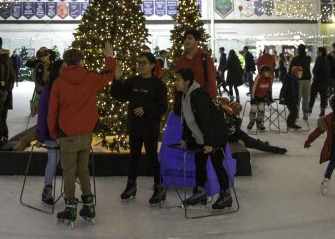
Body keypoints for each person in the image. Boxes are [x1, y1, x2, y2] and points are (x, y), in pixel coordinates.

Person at [49, 42, 118, 226]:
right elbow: (109, 74)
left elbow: (53, 111)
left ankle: (70, 208)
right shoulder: (90, 78)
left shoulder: (59, 83)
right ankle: (89, 205)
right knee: (83, 169)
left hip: (67, 133)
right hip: (86, 132)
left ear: (65, 62)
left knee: (69, 171)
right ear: (80, 61)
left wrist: (53, 132)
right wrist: (109, 57)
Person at [110, 51, 168, 204]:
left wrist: (146, 109)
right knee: (133, 157)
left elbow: (162, 106)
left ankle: (159, 186)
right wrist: (117, 79)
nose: (141, 65)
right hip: (135, 127)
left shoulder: (158, 84)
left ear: (152, 65)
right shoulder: (133, 81)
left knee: (152, 157)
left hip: (150, 128)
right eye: (139, 62)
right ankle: (131, 185)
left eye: (144, 63)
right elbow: (119, 95)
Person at [174, 68, 233, 210]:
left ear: (187, 82)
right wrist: (185, 138)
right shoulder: (184, 96)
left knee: (217, 163)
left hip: (215, 135)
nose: (175, 83)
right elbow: (188, 120)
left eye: (178, 80)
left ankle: (226, 195)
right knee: (199, 163)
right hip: (200, 137)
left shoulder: (199, 95)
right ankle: (200, 192)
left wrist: (209, 143)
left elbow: (206, 120)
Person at [36, 59, 65, 205]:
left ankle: (68, 190)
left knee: (66, 162)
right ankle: (47, 188)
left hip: (67, 132)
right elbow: (43, 112)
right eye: (63, 68)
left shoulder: (69, 85)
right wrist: (41, 135)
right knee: (53, 161)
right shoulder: (50, 88)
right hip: (51, 132)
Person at [219, 97, 286, 154]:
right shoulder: (223, 118)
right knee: (253, 143)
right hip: (231, 139)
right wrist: (237, 140)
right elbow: (226, 134)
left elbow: (236, 131)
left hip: (237, 136)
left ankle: (268, 147)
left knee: (254, 142)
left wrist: (240, 137)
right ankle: (267, 146)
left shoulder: (234, 119)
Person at [173, 29, 217, 108]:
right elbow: (177, 82)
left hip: (201, 102)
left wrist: (211, 101)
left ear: (197, 41)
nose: (186, 41)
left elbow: (211, 82)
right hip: (184, 102)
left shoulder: (205, 59)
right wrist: (176, 100)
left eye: (189, 38)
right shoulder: (180, 61)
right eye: (185, 39)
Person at [289, 44, 312, 119]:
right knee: (305, 97)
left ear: (298, 50)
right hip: (307, 79)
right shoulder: (308, 58)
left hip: (298, 79)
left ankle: (296, 114)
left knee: (297, 97)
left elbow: (291, 69)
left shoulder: (295, 59)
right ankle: (305, 113)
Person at [247, 65, 273, 131]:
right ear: (262, 72)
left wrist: (269, 97)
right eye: (266, 72)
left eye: (269, 72)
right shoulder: (258, 78)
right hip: (255, 96)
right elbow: (253, 88)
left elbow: (269, 89)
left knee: (261, 109)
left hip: (263, 96)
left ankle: (259, 122)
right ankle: (251, 121)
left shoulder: (269, 79)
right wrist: (252, 98)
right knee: (254, 108)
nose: (268, 74)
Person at [28, 48, 52, 116]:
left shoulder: (43, 64)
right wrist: (45, 85)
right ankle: (35, 109)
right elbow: (38, 77)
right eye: (47, 56)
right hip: (41, 88)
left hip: (42, 88)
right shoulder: (40, 65)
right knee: (41, 103)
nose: (48, 58)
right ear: (43, 57)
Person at [280, 65, 303, 130]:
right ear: (295, 72)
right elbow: (284, 88)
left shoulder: (295, 79)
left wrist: (297, 98)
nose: (301, 74)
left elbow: (296, 90)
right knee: (294, 111)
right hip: (288, 98)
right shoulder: (289, 78)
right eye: (300, 73)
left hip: (293, 98)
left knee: (294, 111)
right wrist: (282, 96)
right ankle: (290, 124)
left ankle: (291, 123)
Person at [309, 46, 330, 117]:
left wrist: (315, 74)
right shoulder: (327, 59)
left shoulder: (319, 59)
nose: (316, 52)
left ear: (320, 52)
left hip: (317, 81)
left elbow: (315, 70)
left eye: (317, 51)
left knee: (313, 95)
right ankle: (322, 111)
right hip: (325, 81)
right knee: (323, 97)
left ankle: (310, 109)